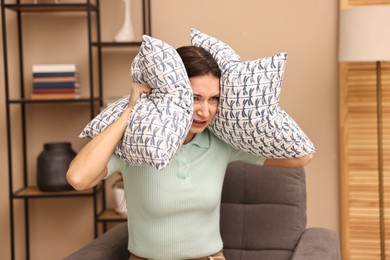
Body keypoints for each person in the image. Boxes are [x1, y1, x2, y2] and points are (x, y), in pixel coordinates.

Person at [66, 46, 313, 260]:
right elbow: (78, 178)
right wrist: (130, 111)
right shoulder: (136, 147)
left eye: (213, 99)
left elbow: (301, 157)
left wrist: (258, 110)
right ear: (173, 94)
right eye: (195, 98)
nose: (205, 112)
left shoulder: (221, 143)